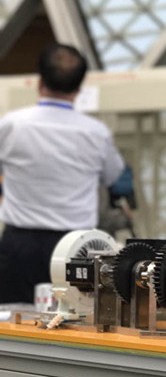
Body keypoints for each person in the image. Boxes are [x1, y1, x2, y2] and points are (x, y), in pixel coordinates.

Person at [0, 43, 125, 304]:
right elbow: (112, 176)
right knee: (73, 316)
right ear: (79, 88)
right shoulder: (96, 132)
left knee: (12, 316)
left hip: (20, 246)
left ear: (39, 81)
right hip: (76, 247)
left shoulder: (11, 125)